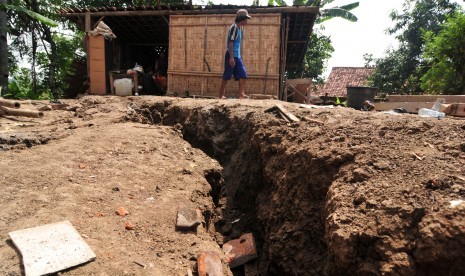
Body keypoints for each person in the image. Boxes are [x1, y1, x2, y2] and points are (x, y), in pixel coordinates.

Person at [219, 9, 252, 99]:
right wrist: (231, 57)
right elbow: (230, 42)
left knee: (243, 74)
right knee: (227, 75)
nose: (247, 21)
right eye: (246, 19)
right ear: (242, 19)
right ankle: (221, 95)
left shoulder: (239, 28)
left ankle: (241, 94)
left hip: (237, 56)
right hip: (231, 55)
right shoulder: (234, 28)